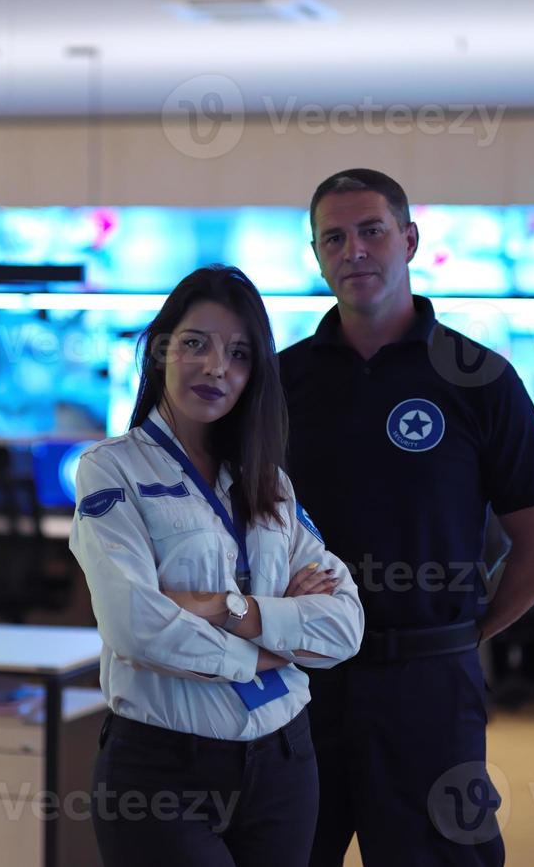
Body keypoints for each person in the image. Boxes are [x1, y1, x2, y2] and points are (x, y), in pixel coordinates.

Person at [279, 170, 534, 866]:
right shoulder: (278, 382)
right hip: (296, 680)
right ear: (316, 256)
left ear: (408, 240)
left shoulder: (479, 378)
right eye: (334, 238)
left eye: (371, 231)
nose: (354, 251)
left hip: (427, 688)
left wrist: (462, 637)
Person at [70, 264, 365, 867]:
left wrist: (225, 609)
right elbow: (132, 623)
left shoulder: (269, 483)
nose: (216, 368)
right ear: (159, 352)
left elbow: (344, 625)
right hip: (163, 770)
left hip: (285, 762)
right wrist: (268, 648)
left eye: (238, 354)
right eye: (195, 344)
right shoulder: (112, 469)